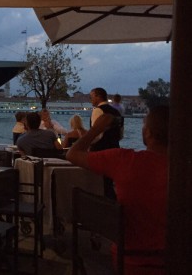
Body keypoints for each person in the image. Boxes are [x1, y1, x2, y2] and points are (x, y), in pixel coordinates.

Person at [67, 106, 169, 274]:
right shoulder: (182, 169)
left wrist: (96, 129)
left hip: (130, 262)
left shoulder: (124, 160)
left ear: (148, 133)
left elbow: (72, 154)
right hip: (180, 261)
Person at [89, 87, 124, 199]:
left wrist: (88, 145)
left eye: (92, 97)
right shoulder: (117, 112)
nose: (91, 100)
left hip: (100, 150)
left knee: (99, 182)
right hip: (114, 148)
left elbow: (96, 133)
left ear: (98, 96)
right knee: (109, 181)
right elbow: (121, 134)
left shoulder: (98, 111)